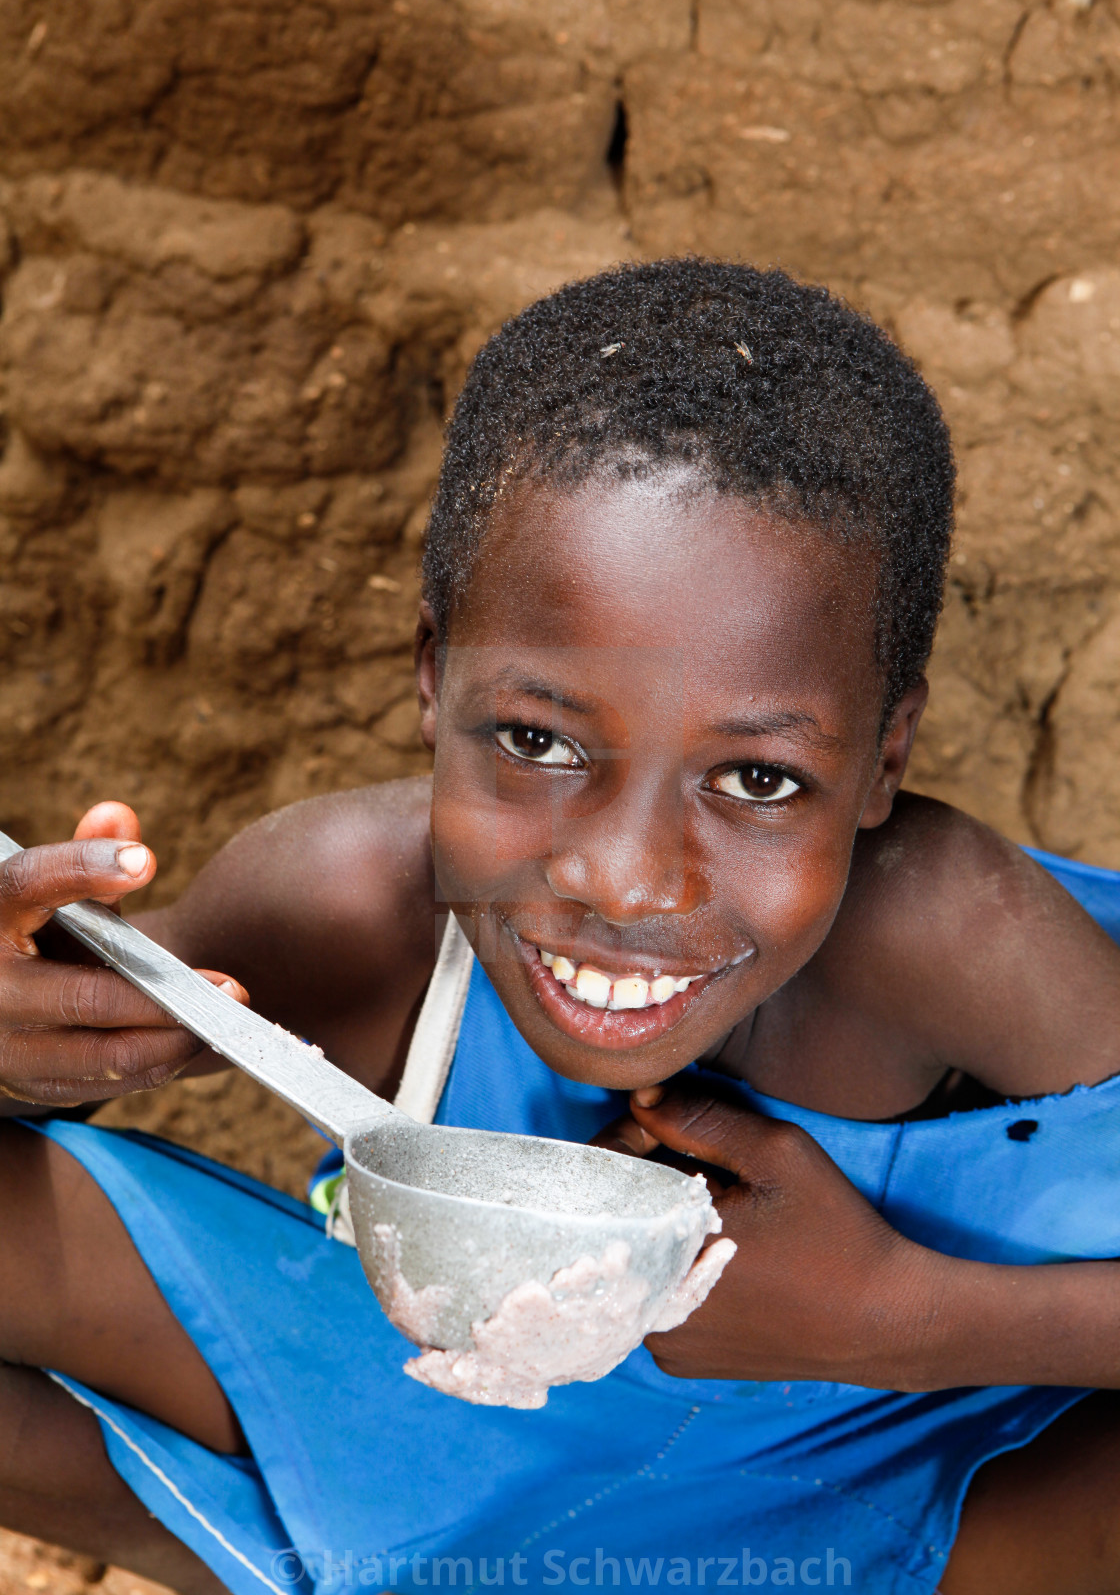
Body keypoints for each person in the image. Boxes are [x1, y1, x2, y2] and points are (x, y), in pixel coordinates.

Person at [4, 259, 1120, 1595]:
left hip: (885, 1491)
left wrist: (901, 1321)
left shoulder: (955, 937)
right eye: (536, 741)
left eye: (756, 780)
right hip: (439, 1429)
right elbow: (71, 1035)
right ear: (433, 675)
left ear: (882, 761)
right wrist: (16, 1045)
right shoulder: (353, 903)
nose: (626, 881)